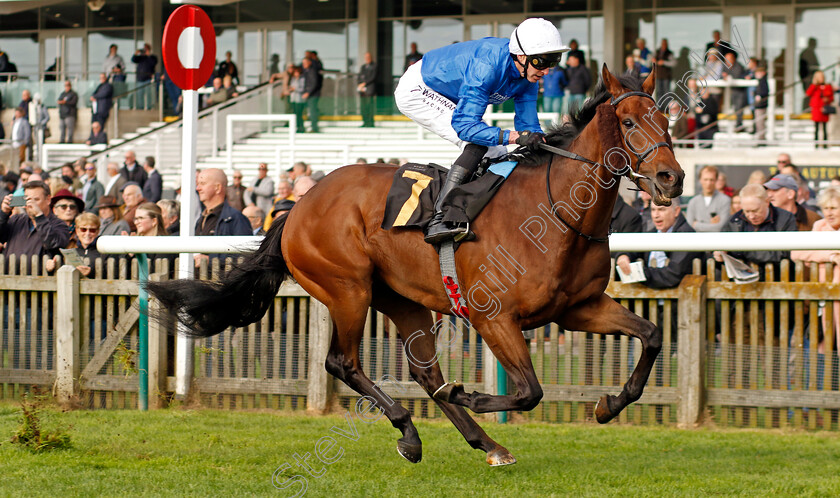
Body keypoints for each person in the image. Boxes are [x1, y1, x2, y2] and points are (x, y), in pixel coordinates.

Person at [394, 17, 569, 243]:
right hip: (419, 88)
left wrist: (544, 145)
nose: (547, 71)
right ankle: (441, 217)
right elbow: (465, 126)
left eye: (553, 62)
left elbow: (529, 128)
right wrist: (512, 137)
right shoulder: (487, 65)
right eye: (542, 62)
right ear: (522, 56)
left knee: (499, 153)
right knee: (478, 143)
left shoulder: (529, 76)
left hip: (452, 93)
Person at [791, 186, 840, 349]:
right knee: (823, 344)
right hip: (822, 295)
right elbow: (797, 253)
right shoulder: (819, 226)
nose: (829, 213)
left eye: (834, 208)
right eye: (826, 208)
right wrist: (831, 256)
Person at [714, 183, 797, 276]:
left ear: (767, 202)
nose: (751, 216)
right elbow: (719, 252)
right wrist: (719, 256)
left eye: (755, 210)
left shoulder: (785, 219)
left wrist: (741, 250)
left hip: (778, 279)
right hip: (742, 281)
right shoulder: (734, 221)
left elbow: (784, 254)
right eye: (746, 211)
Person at [617, 199, 701, 288]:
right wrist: (624, 255)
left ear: (676, 211)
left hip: (678, 299)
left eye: (661, 209)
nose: (656, 215)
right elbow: (635, 248)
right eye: (653, 210)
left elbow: (673, 275)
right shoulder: (652, 233)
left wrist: (640, 273)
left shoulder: (687, 236)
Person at [0, 181, 70, 266]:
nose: (30, 203)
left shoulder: (60, 225)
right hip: (10, 276)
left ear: (48, 200)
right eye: (27, 199)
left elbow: (53, 244)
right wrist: (3, 214)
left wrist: (39, 216)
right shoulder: (16, 219)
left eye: (36, 200)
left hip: (40, 277)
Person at [194, 168, 251, 266]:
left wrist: (210, 261)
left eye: (203, 183)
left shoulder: (236, 219)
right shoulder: (201, 218)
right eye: (198, 184)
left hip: (222, 280)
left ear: (218, 188)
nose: (198, 188)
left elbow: (245, 257)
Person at [45, 212, 103, 278]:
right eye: (83, 229)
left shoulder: (104, 251)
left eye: (92, 230)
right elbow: (61, 277)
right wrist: (50, 269)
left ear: (98, 231)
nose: (87, 233)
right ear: (77, 231)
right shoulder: (70, 251)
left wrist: (91, 273)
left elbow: (113, 274)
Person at [686, 165, 731, 232]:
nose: (708, 183)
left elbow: (721, 227)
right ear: (700, 180)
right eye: (705, 179)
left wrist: (696, 224)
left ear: (716, 180)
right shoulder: (693, 201)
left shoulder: (725, 200)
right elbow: (689, 226)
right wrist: (712, 225)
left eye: (711, 180)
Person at [806, 71, 834, 148]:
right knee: (816, 128)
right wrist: (814, 85)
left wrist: (827, 100)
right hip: (816, 109)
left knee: (825, 128)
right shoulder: (814, 86)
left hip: (824, 109)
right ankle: (816, 144)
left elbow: (832, 97)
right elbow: (808, 93)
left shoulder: (828, 86)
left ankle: (825, 144)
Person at [722, 52, 748, 130]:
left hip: (740, 91)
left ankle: (739, 125)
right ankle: (737, 124)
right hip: (732, 91)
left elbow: (737, 76)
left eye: (729, 59)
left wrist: (727, 76)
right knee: (735, 108)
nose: (727, 61)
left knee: (739, 108)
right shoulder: (725, 67)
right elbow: (721, 75)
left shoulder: (738, 66)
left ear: (733, 59)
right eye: (726, 59)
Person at [132, 43, 157, 110]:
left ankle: (149, 107)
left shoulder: (152, 57)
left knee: (149, 95)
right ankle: (140, 108)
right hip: (140, 79)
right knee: (140, 95)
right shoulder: (141, 57)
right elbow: (133, 60)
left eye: (146, 49)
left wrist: (148, 55)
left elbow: (153, 63)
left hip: (148, 79)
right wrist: (136, 53)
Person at [301, 57, 322, 133]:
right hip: (310, 95)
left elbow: (314, 83)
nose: (303, 65)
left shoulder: (312, 71)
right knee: (310, 111)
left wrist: (308, 92)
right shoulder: (307, 71)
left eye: (305, 63)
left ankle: (314, 128)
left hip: (313, 95)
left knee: (313, 111)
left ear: (309, 62)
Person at [357, 52, 377, 128]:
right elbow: (359, 76)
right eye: (366, 57)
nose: (367, 58)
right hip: (362, 91)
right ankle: (365, 121)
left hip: (370, 90)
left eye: (368, 57)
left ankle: (370, 122)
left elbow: (373, 77)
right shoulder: (363, 67)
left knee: (370, 106)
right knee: (363, 107)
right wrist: (360, 84)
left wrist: (364, 83)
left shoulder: (374, 66)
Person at [753, 66, 769, 142]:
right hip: (759, 105)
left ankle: (761, 139)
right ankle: (760, 138)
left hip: (761, 105)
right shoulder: (760, 81)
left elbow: (764, 91)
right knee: (759, 123)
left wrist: (759, 95)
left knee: (760, 123)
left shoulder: (763, 81)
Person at [288, 65, 305, 132]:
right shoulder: (293, 79)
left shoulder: (302, 79)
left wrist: (295, 89)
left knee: (299, 114)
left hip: (299, 99)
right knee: (295, 113)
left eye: (297, 72)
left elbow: (302, 89)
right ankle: (297, 126)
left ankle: (301, 127)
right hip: (293, 99)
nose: (295, 74)